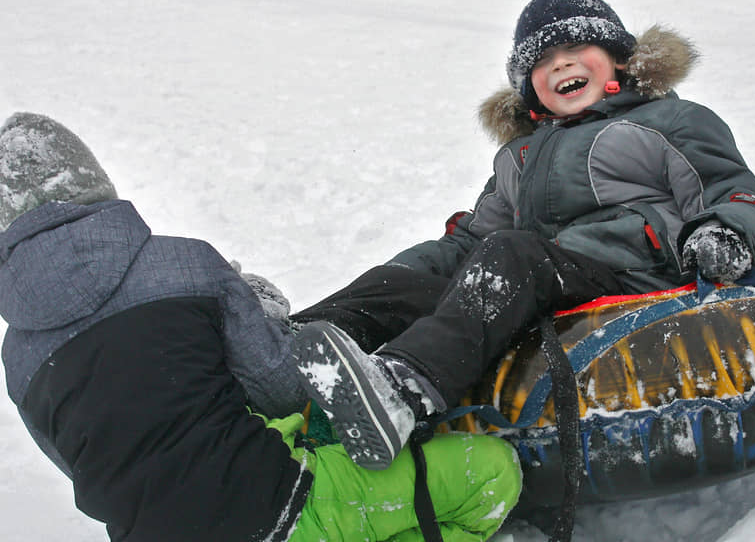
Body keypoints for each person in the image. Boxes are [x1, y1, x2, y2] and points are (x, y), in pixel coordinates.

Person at [291, 0, 755, 473]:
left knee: (512, 255)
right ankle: (281, 352)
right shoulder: (521, 153)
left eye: (576, 48)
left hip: (632, 275)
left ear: (618, 57)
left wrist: (726, 232)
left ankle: (403, 392)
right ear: (529, 86)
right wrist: (408, 269)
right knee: (405, 280)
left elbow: (736, 192)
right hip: (536, 278)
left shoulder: (668, 120)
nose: (561, 64)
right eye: (542, 60)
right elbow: (469, 242)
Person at [0, 112, 521, 541]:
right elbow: (282, 393)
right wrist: (262, 311)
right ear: (92, 179)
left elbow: (90, 470)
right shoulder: (183, 264)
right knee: (494, 472)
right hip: (284, 510)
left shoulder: (16, 358)